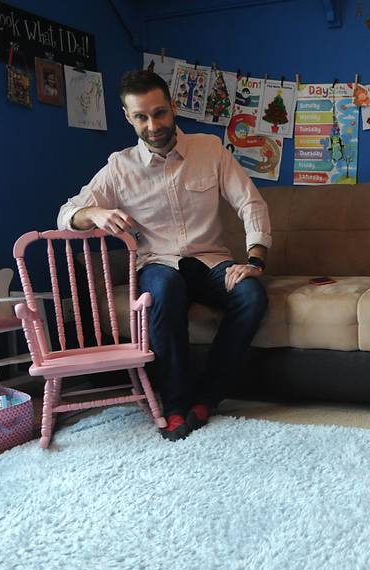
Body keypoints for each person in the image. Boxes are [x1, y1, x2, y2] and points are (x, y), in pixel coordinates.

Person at [57, 69, 272, 442]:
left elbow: (249, 202)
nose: (152, 125)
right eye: (141, 116)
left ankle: (206, 398)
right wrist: (94, 213)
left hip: (208, 261)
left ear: (173, 108)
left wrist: (253, 260)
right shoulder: (119, 168)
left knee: (252, 295)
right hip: (157, 264)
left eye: (159, 113)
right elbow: (67, 213)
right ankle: (174, 406)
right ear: (128, 117)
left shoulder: (210, 149)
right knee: (164, 288)